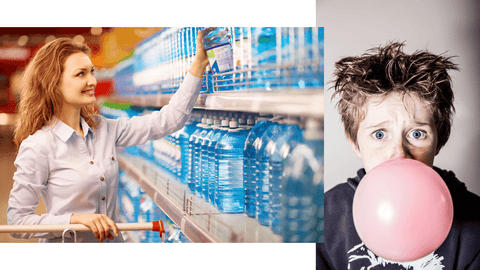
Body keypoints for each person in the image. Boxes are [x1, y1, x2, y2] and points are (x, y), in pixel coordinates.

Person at [7, 31, 209, 243]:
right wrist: (75, 220)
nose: (92, 80)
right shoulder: (38, 146)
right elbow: (18, 222)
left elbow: (167, 121)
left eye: (92, 72)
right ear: (53, 83)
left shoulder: (104, 128)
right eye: (80, 74)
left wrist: (197, 66)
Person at [317, 42, 480, 269]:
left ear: (440, 140)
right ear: (355, 141)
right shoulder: (320, 218)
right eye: (380, 134)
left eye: (416, 133)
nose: (399, 153)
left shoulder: (475, 221)